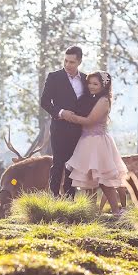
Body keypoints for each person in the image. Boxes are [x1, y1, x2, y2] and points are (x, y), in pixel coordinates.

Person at [62, 71, 128, 214]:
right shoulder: (92, 98)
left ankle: (116, 210)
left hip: (98, 143)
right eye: (89, 83)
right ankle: (91, 211)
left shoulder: (103, 100)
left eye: (95, 84)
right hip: (86, 142)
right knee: (88, 179)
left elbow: (90, 120)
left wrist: (69, 117)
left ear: (104, 86)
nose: (91, 86)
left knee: (104, 180)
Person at [39, 46, 87, 197]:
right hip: (59, 127)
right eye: (65, 61)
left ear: (79, 61)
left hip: (79, 130)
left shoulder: (86, 79)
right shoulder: (54, 77)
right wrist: (61, 113)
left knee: (73, 164)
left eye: (72, 62)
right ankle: (53, 197)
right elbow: (45, 102)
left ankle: (70, 198)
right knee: (58, 162)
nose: (67, 65)